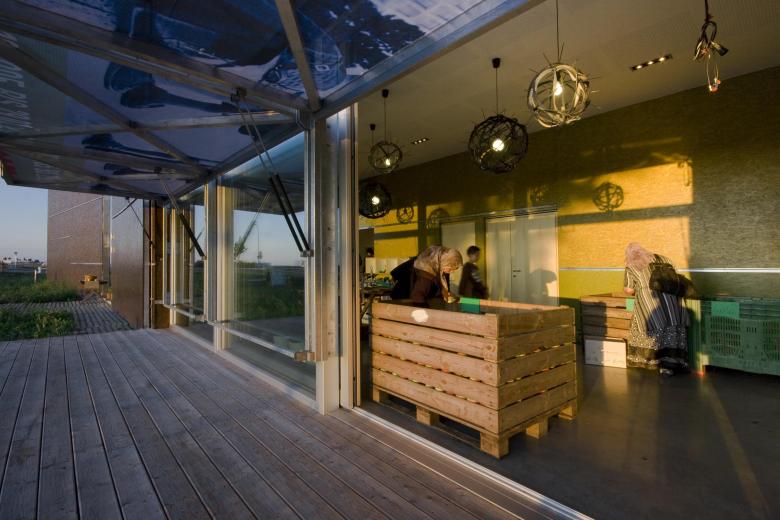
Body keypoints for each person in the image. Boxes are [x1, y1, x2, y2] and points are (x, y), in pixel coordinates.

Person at [623, 242, 689, 375]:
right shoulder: (665, 259)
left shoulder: (632, 265)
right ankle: (671, 365)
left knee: (648, 330)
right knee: (672, 332)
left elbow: (629, 290)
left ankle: (651, 361)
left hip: (651, 305)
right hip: (674, 303)